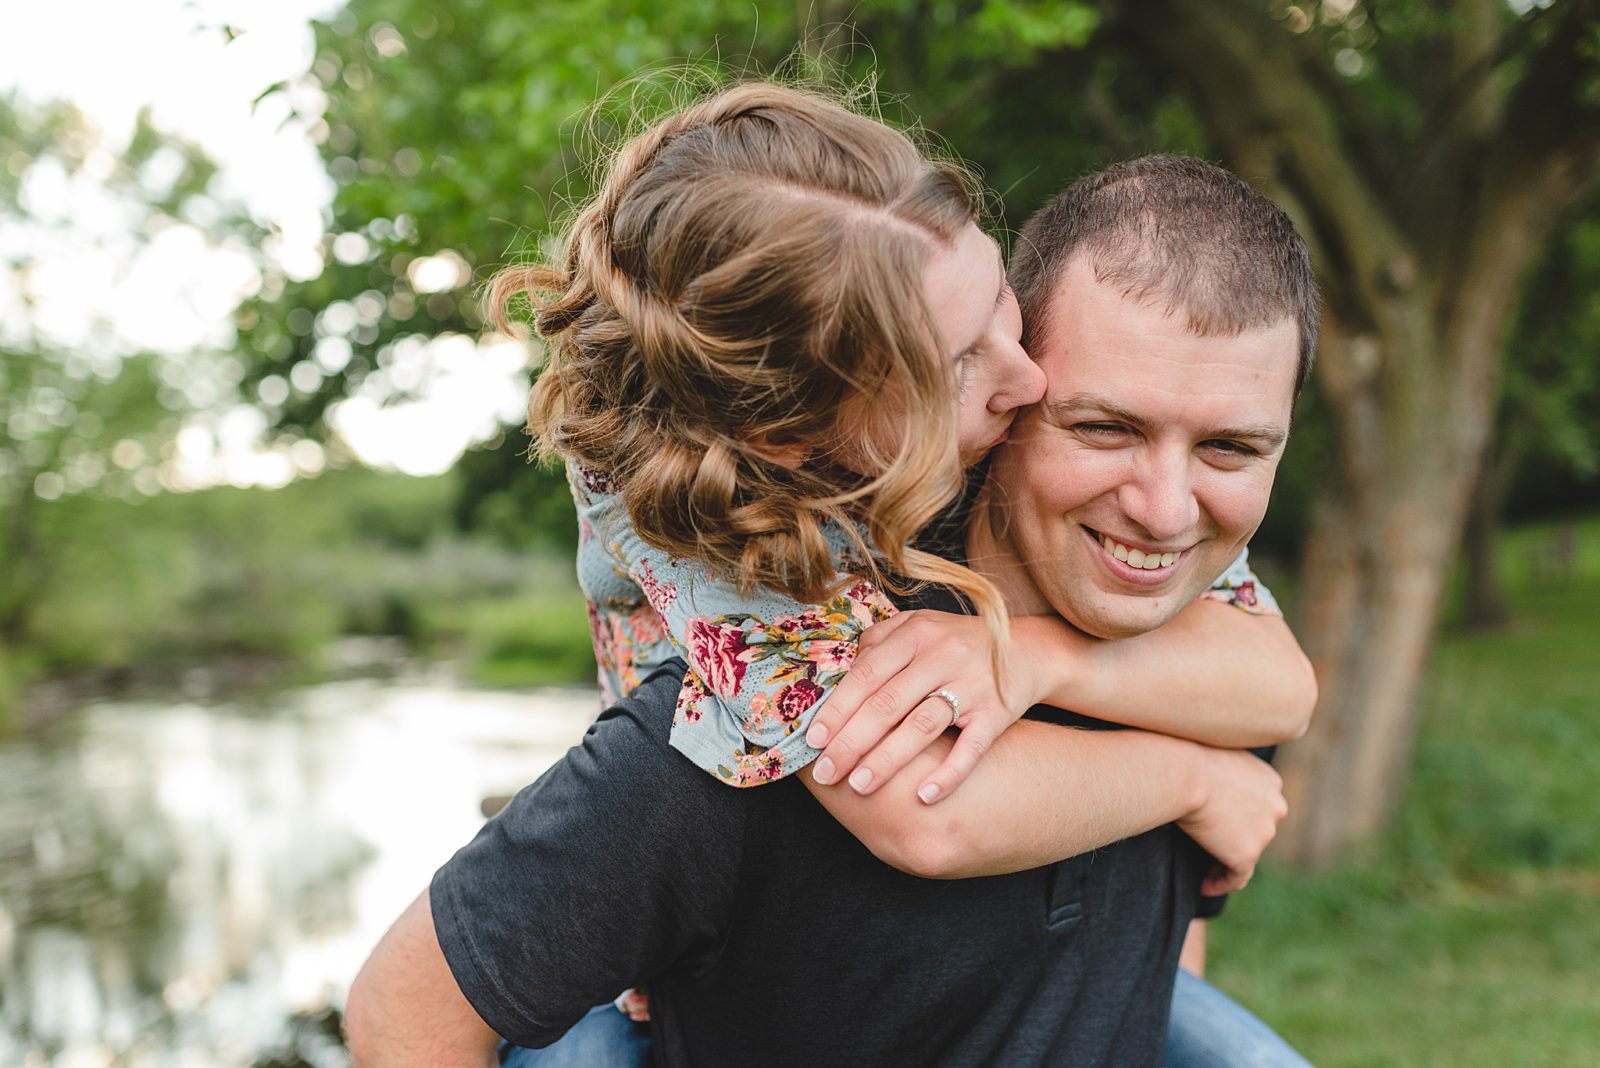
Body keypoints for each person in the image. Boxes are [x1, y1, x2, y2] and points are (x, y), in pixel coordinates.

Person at [346, 88, 1313, 1065]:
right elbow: (402, 1014)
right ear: (810, 435)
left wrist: (1037, 663)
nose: (1023, 383)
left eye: (1230, 448)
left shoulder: (1171, 635)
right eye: (1101, 425)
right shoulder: (743, 703)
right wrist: (1192, 780)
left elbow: (1252, 753)